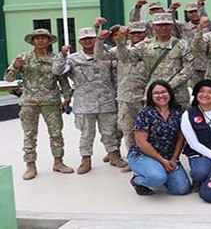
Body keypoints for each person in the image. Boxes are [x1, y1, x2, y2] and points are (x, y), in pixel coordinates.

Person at [52, 27, 127, 174]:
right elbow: (57, 71)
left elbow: (116, 76)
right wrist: (62, 55)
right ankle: (85, 159)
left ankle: (114, 155)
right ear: (80, 41)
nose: (88, 41)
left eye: (91, 38)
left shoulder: (108, 55)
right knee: (86, 133)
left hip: (107, 100)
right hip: (84, 103)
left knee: (110, 131)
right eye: (84, 39)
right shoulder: (73, 58)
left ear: (96, 39)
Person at [4, 29, 74, 180]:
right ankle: (30, 165)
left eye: (44, 38)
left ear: (49, 41)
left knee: (56, 134)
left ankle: (58, 162)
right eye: (37, 38)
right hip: (29, 102)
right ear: (32, 41)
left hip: (51, 102)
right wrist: (15, 67)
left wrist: (67, 98)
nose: (41, 41)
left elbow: (63, 81)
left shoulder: (56, 59)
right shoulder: (24, 57)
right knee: (29, 135)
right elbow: (9, 79)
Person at [116, 13, 195, 106]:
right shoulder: (145, 45)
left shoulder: (182, 45)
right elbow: (126, 58)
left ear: (172, 26)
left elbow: (189, 68)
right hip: (154, 95)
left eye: (166, 25)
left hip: (177, 94)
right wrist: (120, 41)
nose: (163, 28)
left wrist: (168, 86)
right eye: (159, 25)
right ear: (153, 26)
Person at [128, 80, 190, 196]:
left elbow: (181, 138)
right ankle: (138, 181)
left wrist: (174, 159)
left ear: (170, 94)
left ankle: (158, 173)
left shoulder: (178, 112)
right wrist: (162, 161)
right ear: (151, 96)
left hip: (168, 157)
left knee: (181, 189)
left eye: (164, 92)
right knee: (157, 177)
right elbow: (141, 143)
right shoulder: (145, 114)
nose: (161, 95)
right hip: (143, 155)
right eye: (156, 93)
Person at [95, 21, 148, 156]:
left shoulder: (151, 48)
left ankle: (150, 157)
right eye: (133, 33)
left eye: (139, 32)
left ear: (145, 33)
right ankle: (133, 158)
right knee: (128, 129)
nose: (136, 35)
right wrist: (100, 40)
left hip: (146, 96)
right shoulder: (121, 49)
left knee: (149, 129)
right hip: (125, 96)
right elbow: (100, 56)